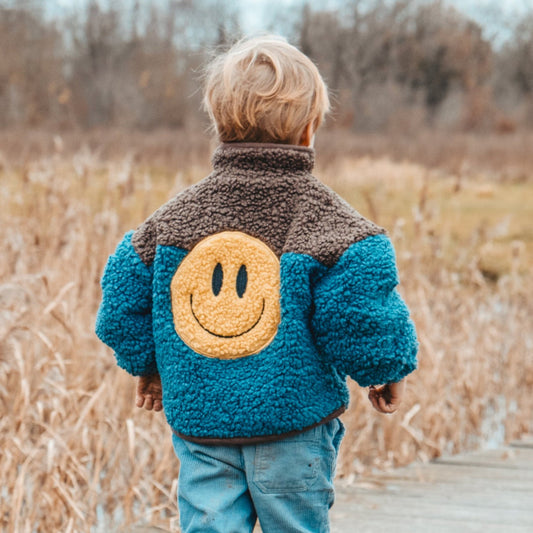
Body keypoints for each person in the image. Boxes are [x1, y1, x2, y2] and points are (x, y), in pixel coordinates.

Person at [96, 35, 418, 533]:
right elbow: (358, 312)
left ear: (219, 123)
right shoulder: (332, 224)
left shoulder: (172, 221)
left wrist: (149, 363)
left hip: (203, 424)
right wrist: (386, 367)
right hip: (294, 424)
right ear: (311, 127)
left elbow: (120, 301)